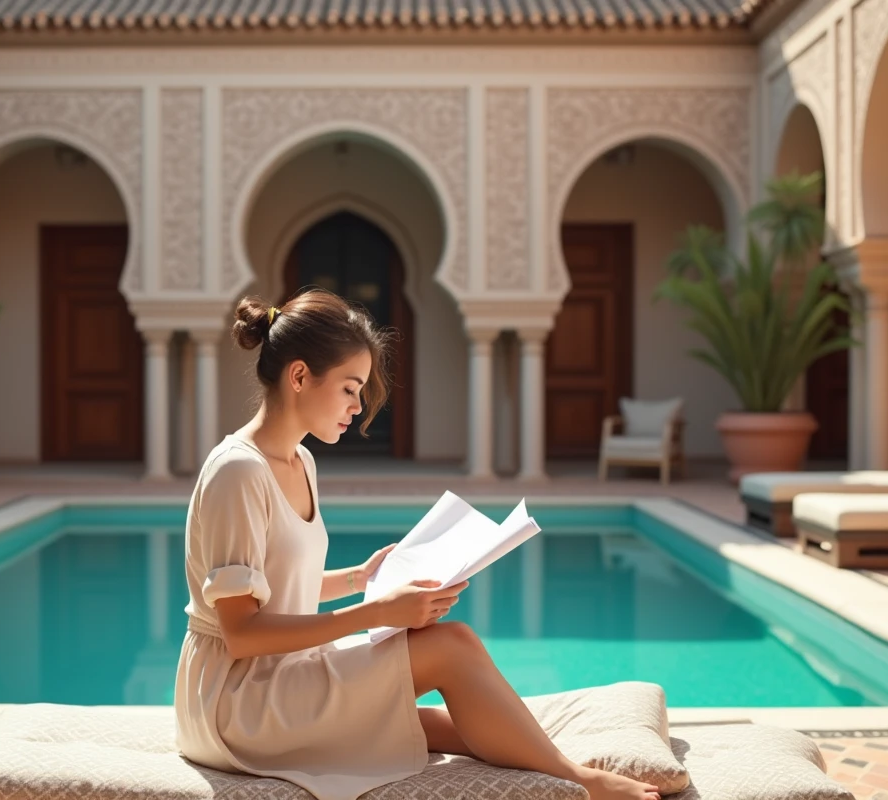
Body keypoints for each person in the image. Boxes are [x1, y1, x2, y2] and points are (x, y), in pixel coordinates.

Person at [173, 288, 662, 800]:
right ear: (299, 376)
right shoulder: (238, 472)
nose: (358, 406)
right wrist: (376, 610)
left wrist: (359, 578)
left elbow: (275, 589)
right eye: (348, 388)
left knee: (430, 722)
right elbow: (243, 632)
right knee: (453, 647)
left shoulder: (300, 462)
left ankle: (559, 765)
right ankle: (583, 784)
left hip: (281, 678)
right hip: (236, 704)